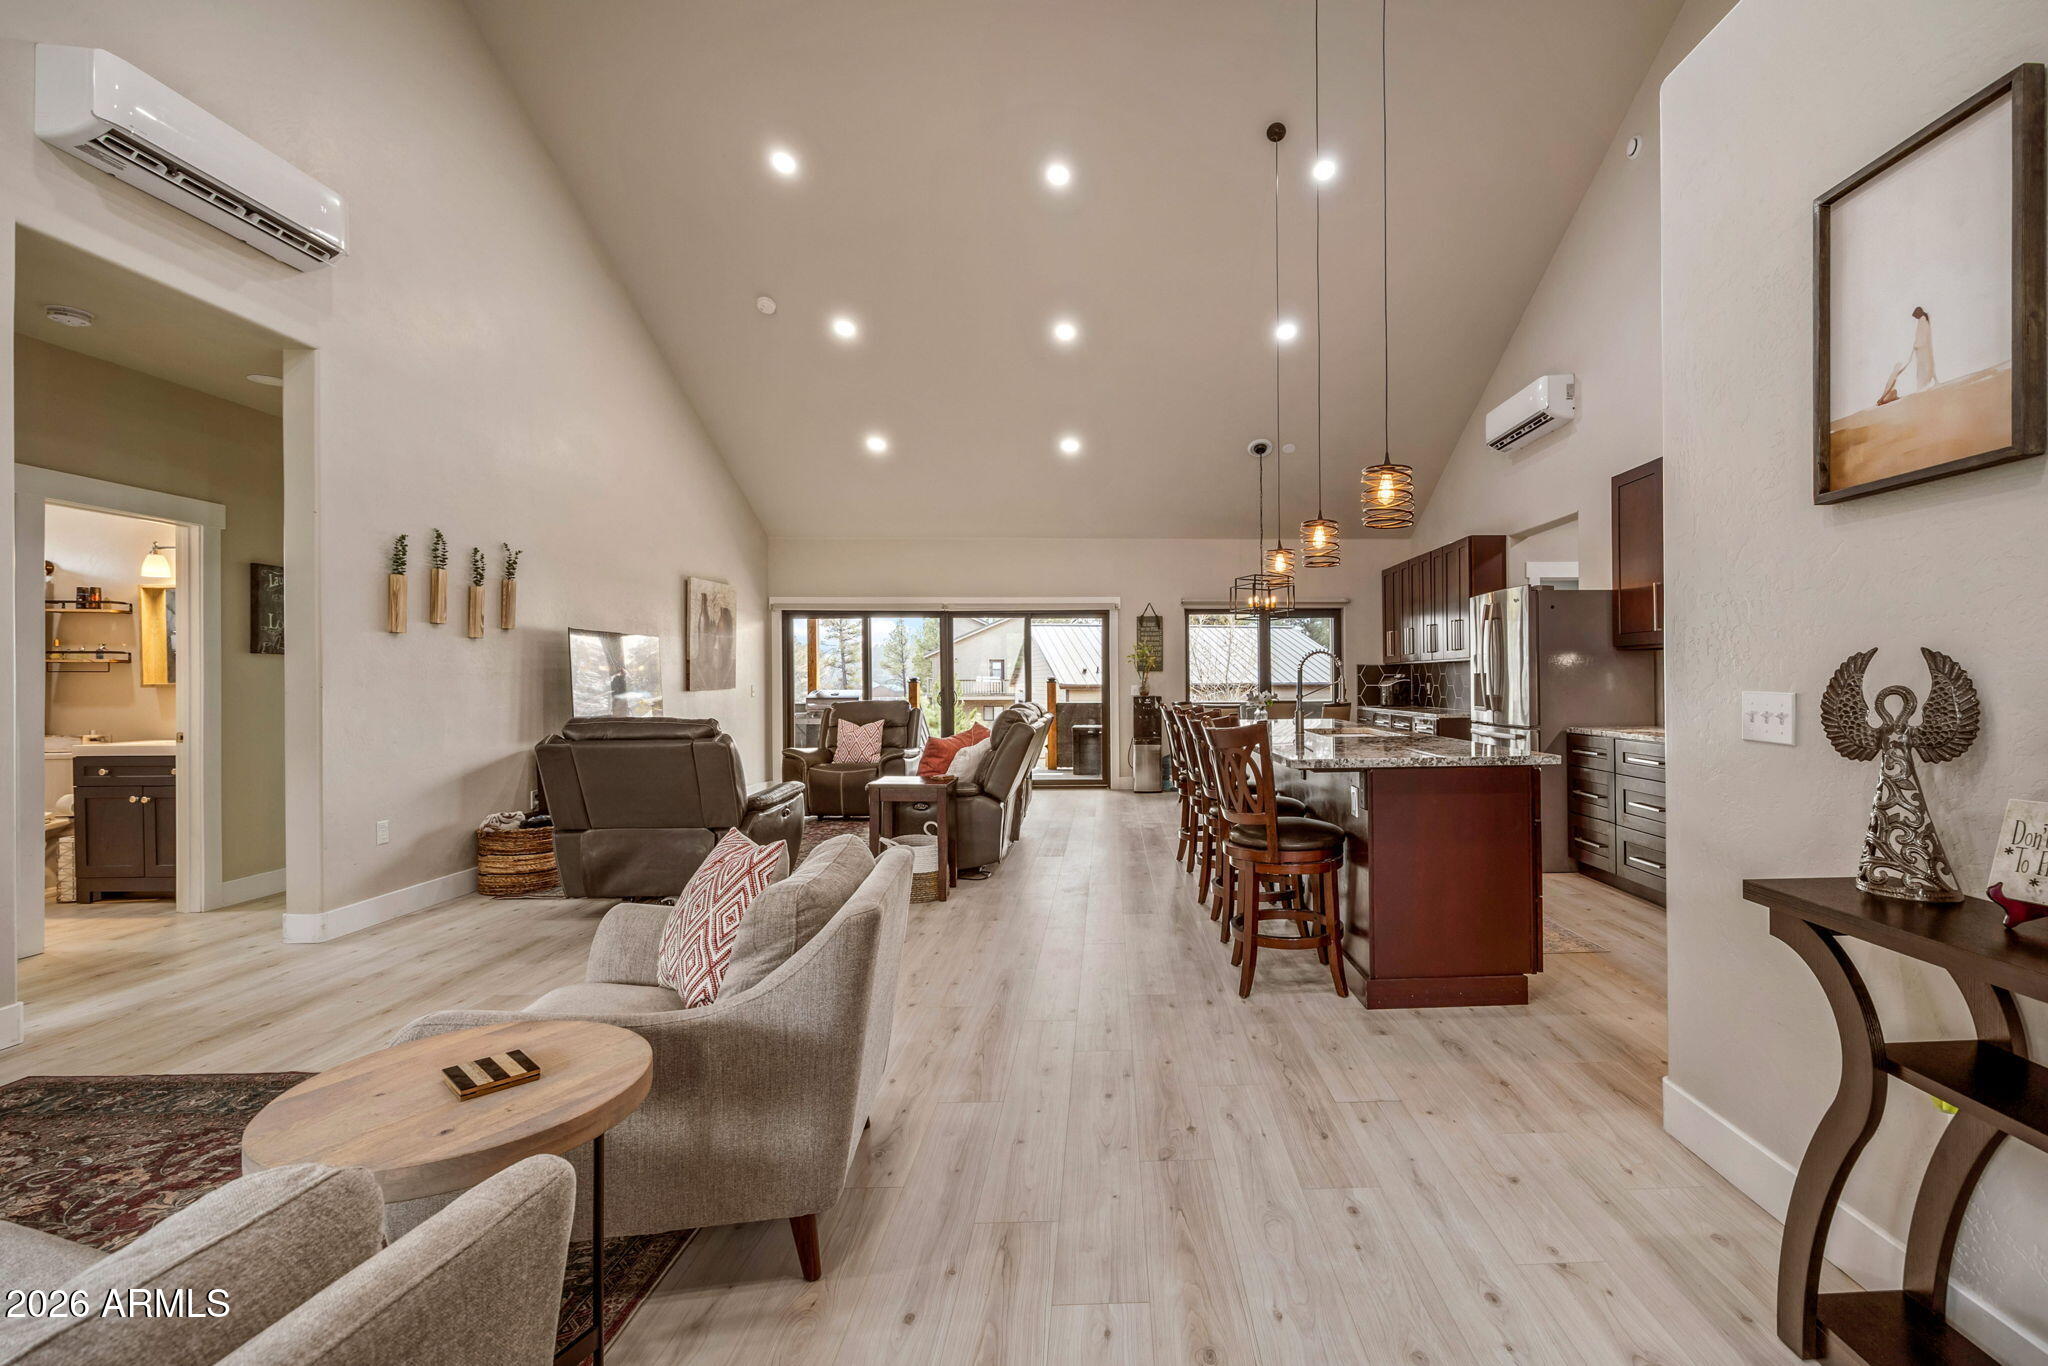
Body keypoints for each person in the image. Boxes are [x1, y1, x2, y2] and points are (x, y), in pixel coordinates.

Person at [1876, 306, 1935, 405]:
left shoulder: (1922, 320)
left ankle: (1883, 398)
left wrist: (1915, 347)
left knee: (1895, 374)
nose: (1915, 318)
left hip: (1916, 351)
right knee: (1897, 374)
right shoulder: (1923, 320)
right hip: (1917, 352)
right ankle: (1884, 397)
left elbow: (1921, 338)